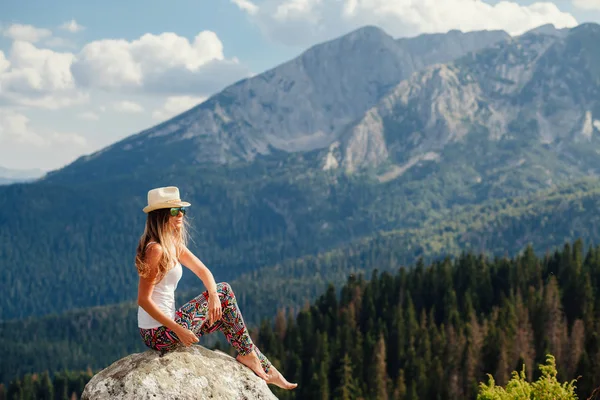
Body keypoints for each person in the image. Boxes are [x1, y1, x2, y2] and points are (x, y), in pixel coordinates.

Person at [136, 186, 297, 390]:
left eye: (182, 211)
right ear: (160, 215)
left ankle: (262, 364)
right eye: (175, 211)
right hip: (157, 333)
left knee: (222, 303)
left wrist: (212, 295)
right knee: (225, 292)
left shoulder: (172, 244)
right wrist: (178, 329)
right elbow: (143, 299)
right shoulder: (155, 249)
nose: (181, 216)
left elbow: (204, 272)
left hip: (170, 326)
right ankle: (255, 360)